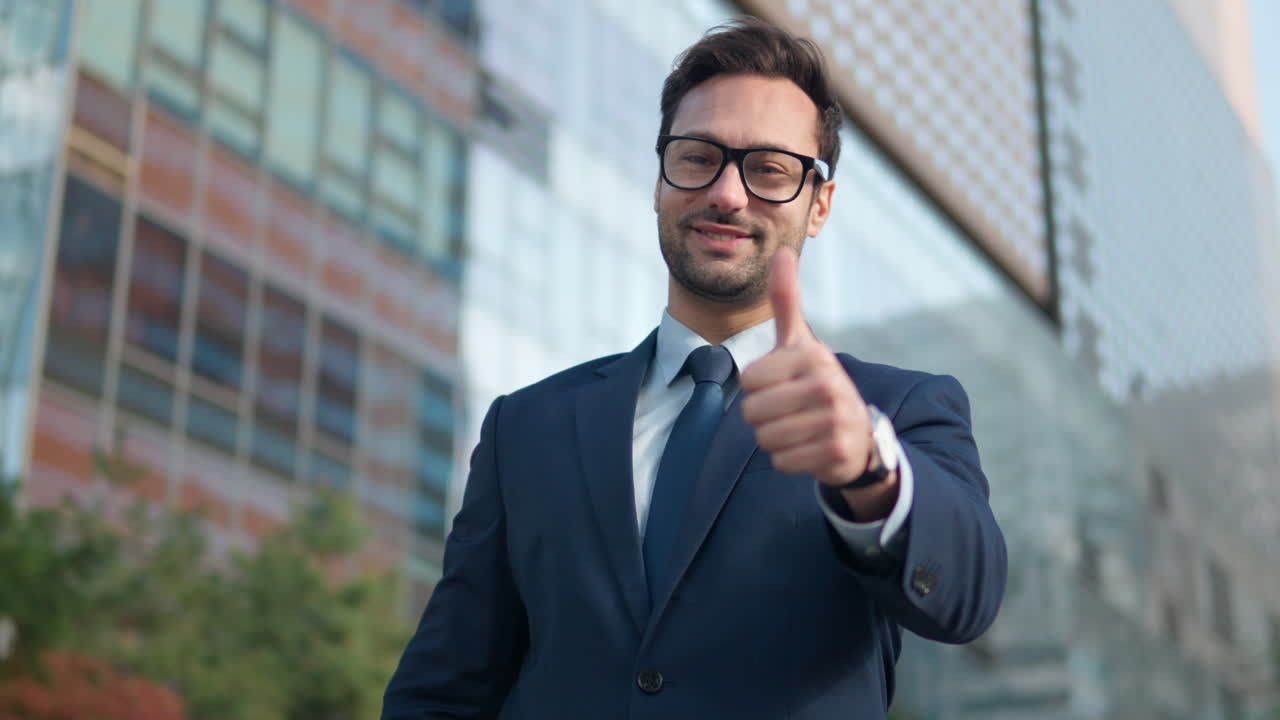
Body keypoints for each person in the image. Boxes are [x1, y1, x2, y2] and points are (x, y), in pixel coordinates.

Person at [383, 18, 1006, 720]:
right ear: (659, 181)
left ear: (819, 205)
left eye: (769, 169)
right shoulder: (525, 427)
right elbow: (445, 688)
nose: (727, 193)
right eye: (698, 156)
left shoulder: (899, 408)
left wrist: (868, 470)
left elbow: (968, 594)